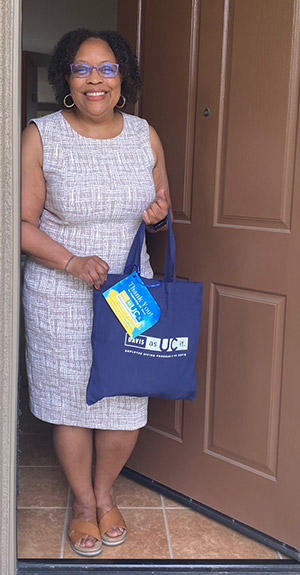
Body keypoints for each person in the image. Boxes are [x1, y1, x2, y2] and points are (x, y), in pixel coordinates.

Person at [21, 28, 172, 557]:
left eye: (106, 68)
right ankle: (84, 503)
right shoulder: (42, 135)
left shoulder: (144, 134)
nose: (95, 80)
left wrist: (157, 219)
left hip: (130, 288)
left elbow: (160, 213)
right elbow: (17, 223)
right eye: (82, 68)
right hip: (59, 291)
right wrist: (72, 260)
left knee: (126, 400)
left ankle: (106, 492)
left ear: (122, 76)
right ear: (66, 76)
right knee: (69, 402)